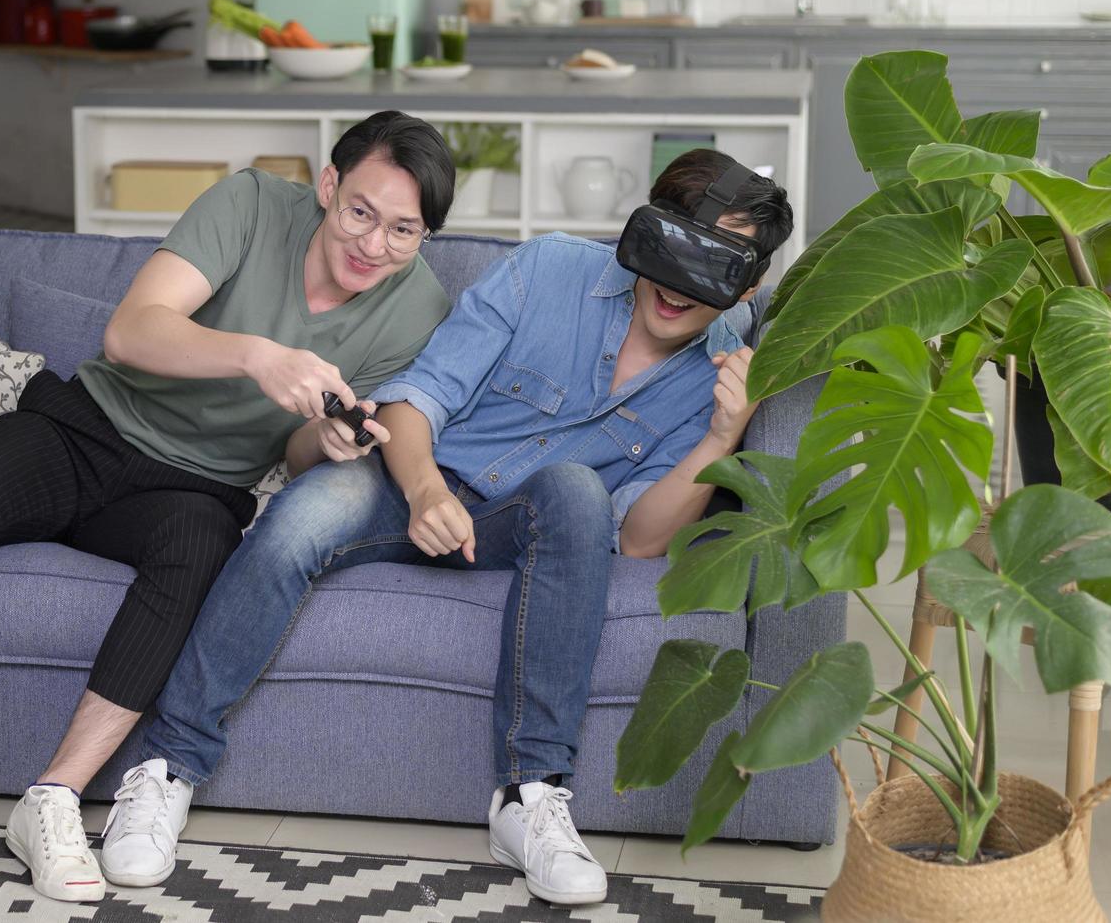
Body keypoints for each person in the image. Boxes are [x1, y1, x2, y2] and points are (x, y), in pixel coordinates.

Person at [0, 111, 457, 903]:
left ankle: (52, 798)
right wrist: (257, 355)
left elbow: (290, 454)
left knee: (196, 559)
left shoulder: (417, 305)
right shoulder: (251, 205)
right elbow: (131, 332)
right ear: (328, 186)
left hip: (199, 485)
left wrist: (320, 441)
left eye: (403, 229)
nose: (373, 244)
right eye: (361, 211)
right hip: (84, 429)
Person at [102, 149, 794, 905]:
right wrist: (427, 490)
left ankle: (530, 797)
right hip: (409, 479)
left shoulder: (728, 359)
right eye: (670, 246)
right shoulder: (549, 270)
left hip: (521, 519)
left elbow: (637, 540)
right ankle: (168, 765)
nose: (674, 284)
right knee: (302, 519)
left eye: (712, 264)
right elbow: (414, 399)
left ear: (747, 283)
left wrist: (720, 437)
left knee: (575, 489)